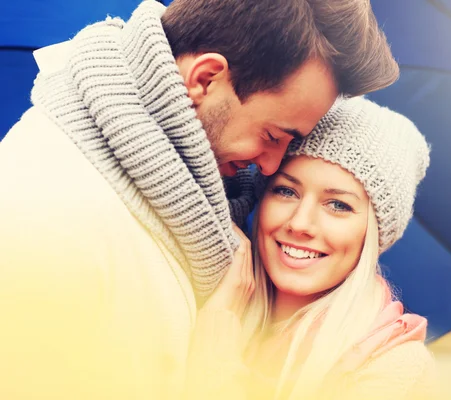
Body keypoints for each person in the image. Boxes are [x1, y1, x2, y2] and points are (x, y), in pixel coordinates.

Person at [0, 1, 398, 398]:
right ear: (205, 79)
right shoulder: (46, 217)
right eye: (273, 136)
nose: (271, 165)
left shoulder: (181, 198)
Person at [187, 96, 434, 399]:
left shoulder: (394, 369)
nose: (300, 223)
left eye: (338, 205)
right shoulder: (192, 292)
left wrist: (215, 346)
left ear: (376, 233)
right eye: (286, 191)